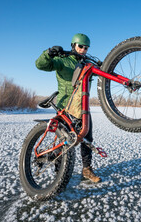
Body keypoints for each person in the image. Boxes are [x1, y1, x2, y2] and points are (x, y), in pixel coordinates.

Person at [35, 33, 101, 183]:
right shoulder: (62, 61)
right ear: (73, 45)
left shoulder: (86, 64)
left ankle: (87, 170)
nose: (83, 50)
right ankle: (60, 174)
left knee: (87, 139)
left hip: (83, 107)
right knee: (64, 141)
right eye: (80, 46)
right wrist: (48, 53)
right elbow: (40, 65)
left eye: (86, 47)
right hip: (66, 107)